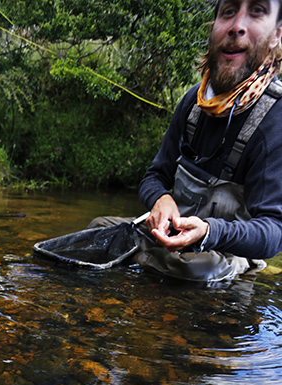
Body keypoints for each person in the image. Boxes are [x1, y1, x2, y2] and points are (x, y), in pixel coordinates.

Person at [97, 0, 282, 281]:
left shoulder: (275, 119)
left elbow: (274, 233)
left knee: (197, 270)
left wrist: (209, 231)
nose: (236, 27)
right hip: (170, 240)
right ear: (214, 26)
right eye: (228, 12)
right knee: (98, 230)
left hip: (222, 254)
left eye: (257, 11)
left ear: (277, 35)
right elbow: (154, 176)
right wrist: (160, 199)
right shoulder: (194, 102)